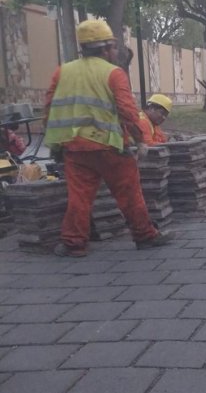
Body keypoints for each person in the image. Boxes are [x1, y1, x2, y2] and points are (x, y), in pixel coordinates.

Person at [44, 19, 173, 257]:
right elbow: (127, 110)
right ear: (103, 48)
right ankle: (145, 236)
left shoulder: (63, 71)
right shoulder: (114, 73)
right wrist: (140, 140)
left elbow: (49, 107)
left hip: (75, 148)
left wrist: (54, 144)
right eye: (113, 46)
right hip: (110, 147)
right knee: (130, 194)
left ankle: (73, 243)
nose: (115, 51)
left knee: (79, 198)